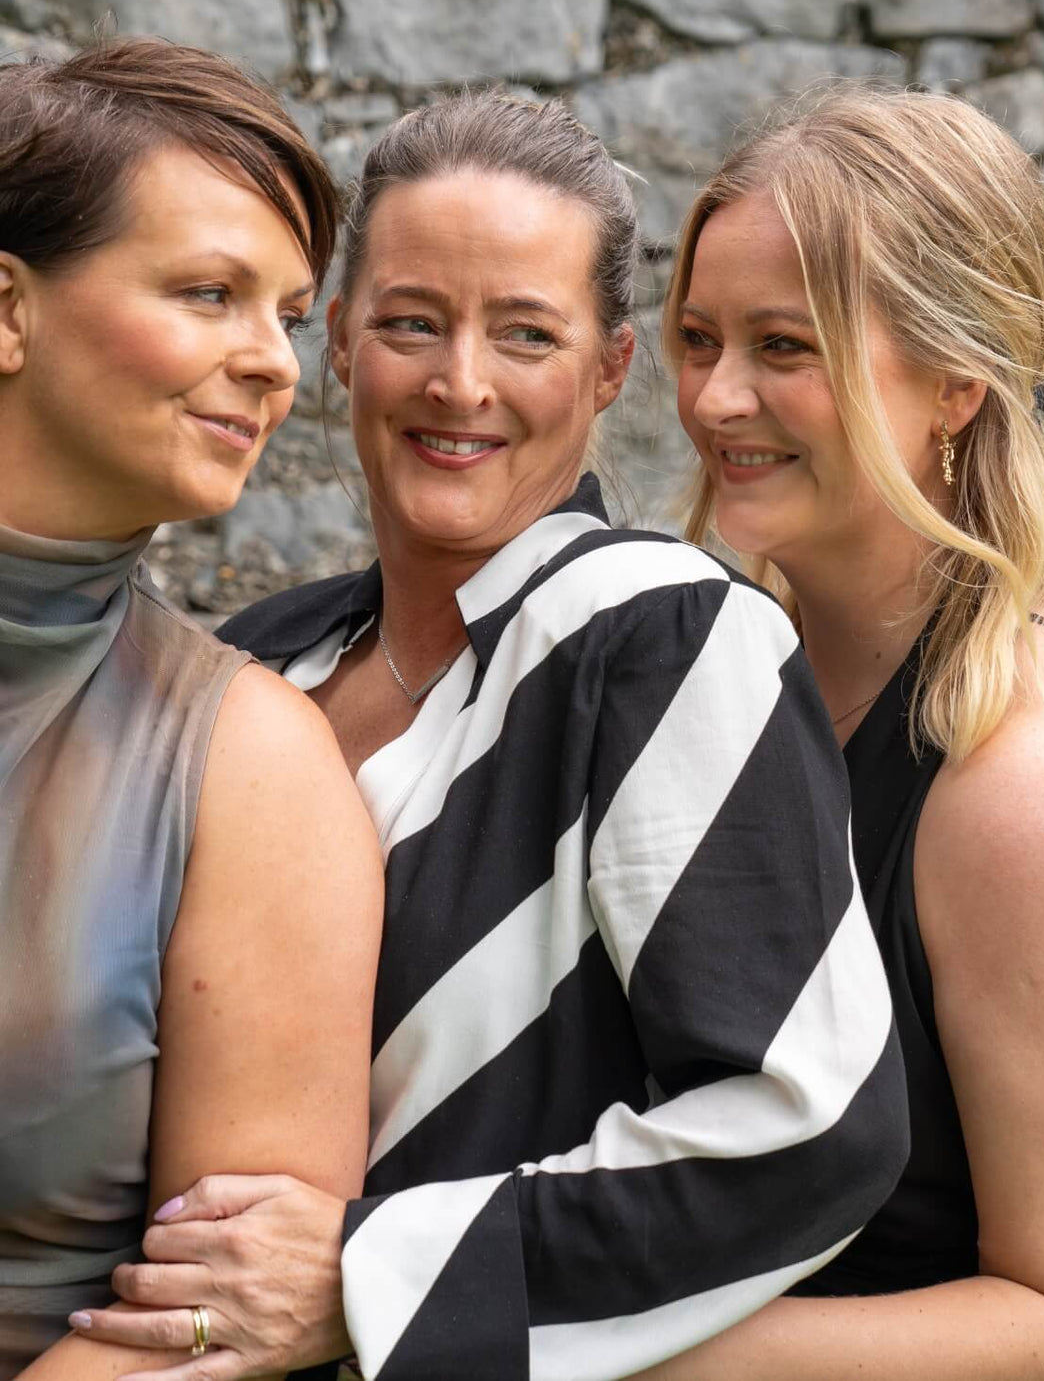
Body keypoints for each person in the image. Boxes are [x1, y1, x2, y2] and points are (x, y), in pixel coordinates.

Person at [70, 90, 909, 1381]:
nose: (460, 382)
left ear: (610, 370)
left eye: (526, 333)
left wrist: (374, 1276)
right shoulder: (254, 659)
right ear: (342, 340)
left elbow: (807, 1125)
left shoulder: (664, 637)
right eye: (412, 322)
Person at [633, 87, 1044, 1377]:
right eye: (697, 337)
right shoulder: (707, 663)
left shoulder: (1026, 781)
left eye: (785, 347)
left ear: (958, 380)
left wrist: (573, 1339)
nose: (717, 398)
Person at [0, 37, 382, 1379]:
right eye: (212, 292)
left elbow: (206, 1328)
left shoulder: (249, 766)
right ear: (6, 308)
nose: (276, 362)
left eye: (284, 311)